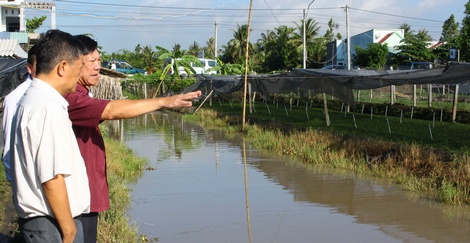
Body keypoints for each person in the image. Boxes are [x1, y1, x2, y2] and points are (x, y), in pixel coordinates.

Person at [66, 35, 201, 243]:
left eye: (99, 61)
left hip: (86, 195)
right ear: (74, 64)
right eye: (91, 62)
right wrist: (164, 102)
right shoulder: (71, 98)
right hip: (76, 199)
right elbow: (111, 110)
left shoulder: (84, 94)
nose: (97, 67)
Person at [10, 29, 90, 243]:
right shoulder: (47, 107)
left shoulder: (33, 99)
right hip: (52, 224)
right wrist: (69, 230)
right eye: (80, 66)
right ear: (63, 67)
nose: (81, 75)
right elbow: (52, 178)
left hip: (47, 222)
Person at [2, 45, 37, 183]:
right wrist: (17, 184)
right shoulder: (16, 98)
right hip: (28, 182)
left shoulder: (58, 95)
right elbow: (10, 146)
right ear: (29, 68)